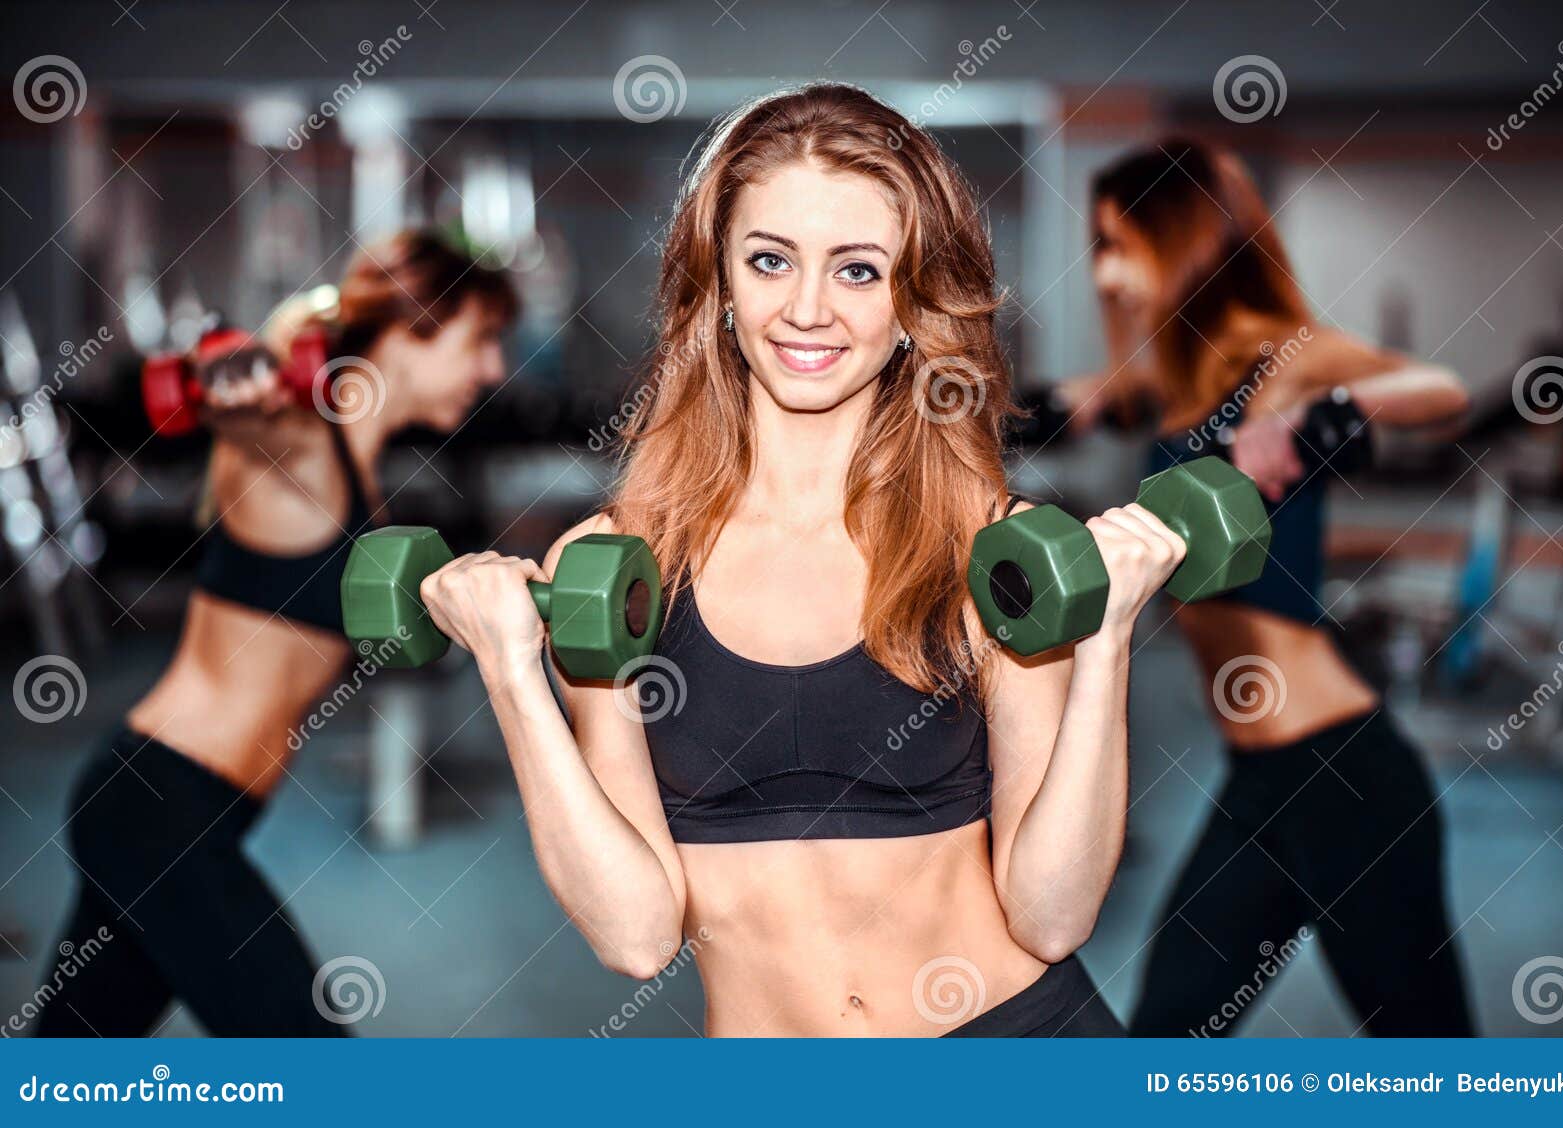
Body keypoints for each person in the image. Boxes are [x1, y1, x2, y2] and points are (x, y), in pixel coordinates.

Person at [417, 83, 1182, 1037]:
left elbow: (1053, 915)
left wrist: (1105, 642)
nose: (808, 309)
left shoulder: (993, 550)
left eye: (859, 270)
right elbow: (636, 936)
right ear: (720, 282)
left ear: (911, 303)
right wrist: (509, 671)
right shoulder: (624, 566)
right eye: (771, 260)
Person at [34, 230, 517, 1037]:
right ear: (411, 331)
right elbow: (258, 427)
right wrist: (236, 388)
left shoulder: (359, 474)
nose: (494, 369)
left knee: (64, 1076)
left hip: (173, 809)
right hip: (165, 812)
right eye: (482, 340)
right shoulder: (301, 454)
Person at [1056, 139, 1475, 1036]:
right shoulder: (1173, 382)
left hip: (1347, 779)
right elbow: (1112, 398)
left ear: (1183, 242)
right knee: (1165, 1041)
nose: (1107, 273)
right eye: (1100, 247)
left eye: (1120, 243)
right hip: (1257, 783)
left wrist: (1320, 410)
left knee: (1436, 1064)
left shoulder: (1280, 354)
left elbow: (1439, 391)